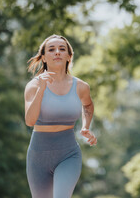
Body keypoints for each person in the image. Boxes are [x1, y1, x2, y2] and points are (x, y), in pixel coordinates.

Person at [24, 34, 97, 198]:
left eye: (62, 49)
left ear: (69, 56)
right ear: (43, 57)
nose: (57, 52)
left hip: (68, 154)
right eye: (51, 49)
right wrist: (41, 89)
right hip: (38, 157)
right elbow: (30, 121)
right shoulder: (33, 86)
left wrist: (86, 127)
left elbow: (88, 105)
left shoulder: (81, 87)